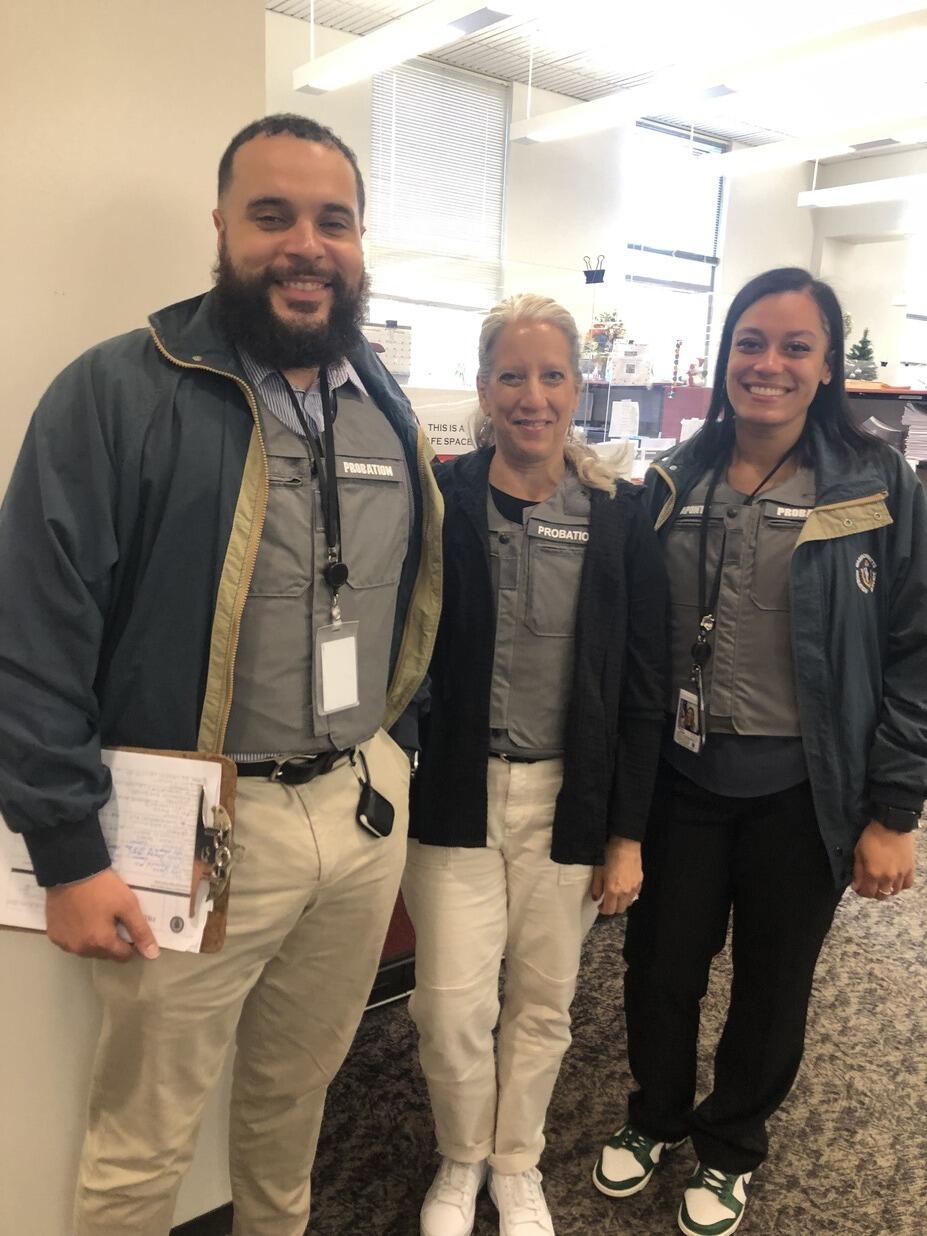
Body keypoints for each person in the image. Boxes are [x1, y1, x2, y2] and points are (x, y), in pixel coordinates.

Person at [0, 114, 442, 1236]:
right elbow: (33, 631)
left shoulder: (381, 400)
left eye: (332, 220)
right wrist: (66, 847)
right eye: (272, 216)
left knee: (296, 1102)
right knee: (143, 1137)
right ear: (220, 229)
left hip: (352, 808)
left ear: (359, 239)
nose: (306, 244)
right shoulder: (117, 393)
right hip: (186, 823)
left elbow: (414, 592)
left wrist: (400, 744)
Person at [592, 267, 926, 1236]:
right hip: (682, 785)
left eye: (794, 347)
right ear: (724, 353)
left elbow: (913, 653)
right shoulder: (670, 482)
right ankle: (653, 1113)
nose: (767, 364)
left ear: (826, 368)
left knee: (774, 985)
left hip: (803, 792)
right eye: (749, 342)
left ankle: (732, 1143)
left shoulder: (877, 491)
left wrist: (895, 811)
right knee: (659, 968)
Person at [403, 294, 669, 1236]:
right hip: (456, 794)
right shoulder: (440, 500)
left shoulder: (618, 517)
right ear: (482, 388)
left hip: (570, 798)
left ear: (577, 386)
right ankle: (459, 1155)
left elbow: (644, 687)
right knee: (447, 1007)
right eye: (511, 375)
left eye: (551, 374)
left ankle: (516, 1162)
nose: (531, 394)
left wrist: (627, 835)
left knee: (545, 1002)